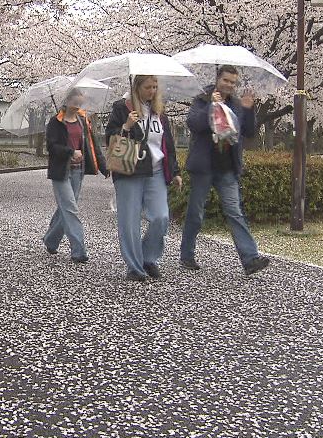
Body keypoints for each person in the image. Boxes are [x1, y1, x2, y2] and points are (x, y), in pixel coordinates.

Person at [179, 65, 271, 275]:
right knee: (196, 212)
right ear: (218, 79)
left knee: (235, 212)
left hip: (227, 166)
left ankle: (250, 259)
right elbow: (193, 123)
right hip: (203, 166)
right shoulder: (202, 98)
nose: (229, 85)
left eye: (233, 82)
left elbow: (247, 132)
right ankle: (186, 255)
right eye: (226, 80)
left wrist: (248, 110)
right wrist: (212, 106)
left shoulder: (237, 104)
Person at [105, 75, 182, 282]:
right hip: (130, 169)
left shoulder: (159, 111)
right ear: (137, 87)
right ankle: (134, 266)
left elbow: (167, 142)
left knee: (161, 217)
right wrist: (127, 126)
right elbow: (110, 137)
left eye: (155, 87)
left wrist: (174, 171)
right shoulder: (122, 107)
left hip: (156, 170)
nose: (152, 91)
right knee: (129, 221)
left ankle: (148, 257)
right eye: (148, 87)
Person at [43, 89, 109, 263]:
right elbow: (51, 147)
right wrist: (70, 152)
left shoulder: (82, 120)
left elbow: (92, 144)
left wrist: (104, 167)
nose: (77, 104)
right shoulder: (55, 122)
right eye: (74, 101)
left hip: (78, 171)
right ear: (66, 101)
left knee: (65, 208)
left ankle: (50, 239)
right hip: (61, 172)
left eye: (80, 101)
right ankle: (79, 250)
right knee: (71, 209)